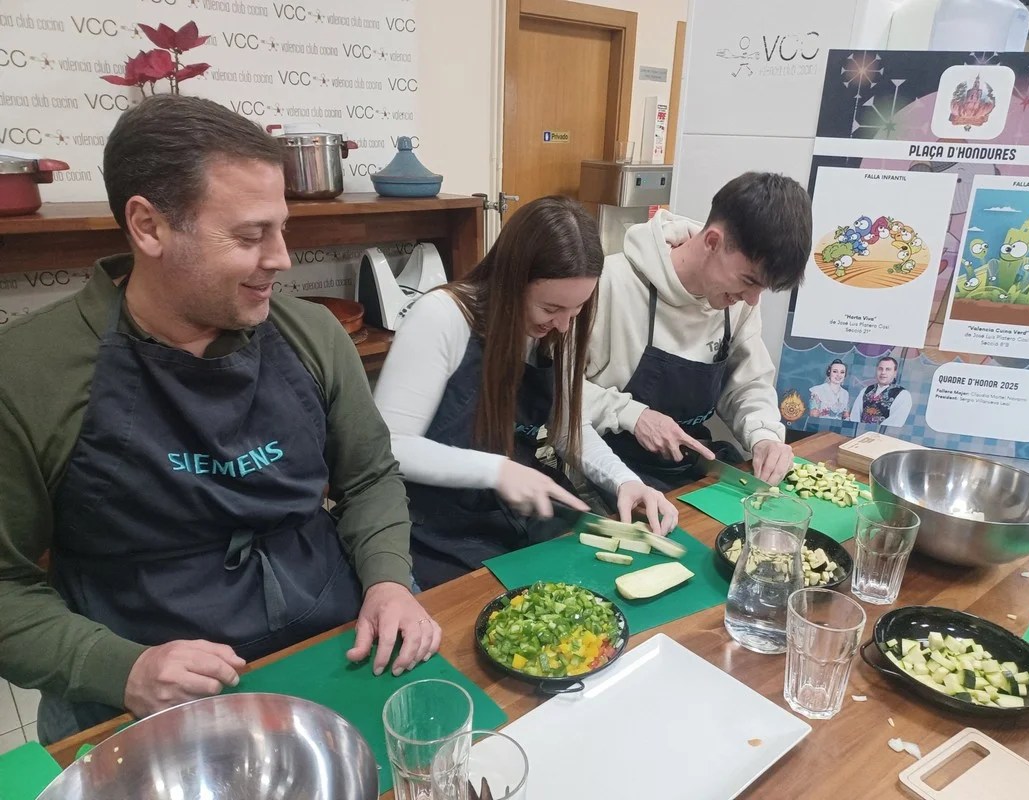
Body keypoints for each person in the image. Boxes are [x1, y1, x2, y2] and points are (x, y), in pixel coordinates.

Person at [0, 95, 440, 745]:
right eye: (249, 235)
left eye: (281, 228)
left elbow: (369, 476)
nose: (282, 258)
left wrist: (387, 580)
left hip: (334, 648)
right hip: (148, 701)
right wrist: (120, 669)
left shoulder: (313, 335)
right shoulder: (30, 374)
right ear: (149, 227)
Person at [373, 196, 678, 590]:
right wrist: (497, 471)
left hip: (516, 519)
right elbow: (391, 447)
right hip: (438, 531)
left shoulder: (558, 327)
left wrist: (625, 481)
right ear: (512, 279)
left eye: (578, 309)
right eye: (551, 307)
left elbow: (569, 426)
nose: (565, 325)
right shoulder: (442, 316)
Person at [583, 172, 812, 491]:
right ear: (713, 242)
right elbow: (559, 393)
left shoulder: (740, 301)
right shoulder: (610, 284)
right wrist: (633, 415)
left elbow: (748, 383)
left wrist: (764, 436)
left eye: (763, 289)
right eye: (748, 281)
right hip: (611, 468)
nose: (751, 299)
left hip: (693, 463)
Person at [850, 356, 912, 427]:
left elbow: (894, 422)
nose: (883, 372)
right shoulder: (866, 390)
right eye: (880, 369)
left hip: (883, 436)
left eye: (888, 369)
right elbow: (855, 415)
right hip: (859, 433)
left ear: (895, 373)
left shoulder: (903, 395)